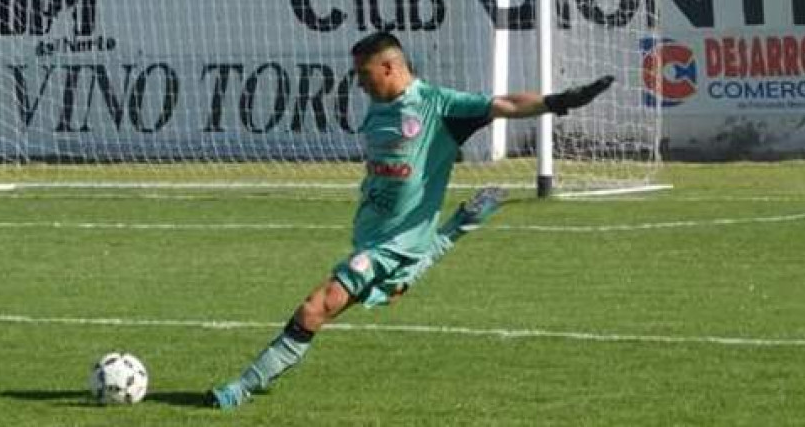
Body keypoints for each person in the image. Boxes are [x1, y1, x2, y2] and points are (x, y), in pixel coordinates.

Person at [208, 31, 614, 409]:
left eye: (364, 74)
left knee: (317, 306)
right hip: (371, 236)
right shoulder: (375, 111)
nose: (360, 84)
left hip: (390, 246)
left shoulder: (437, 105)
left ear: (389, 67)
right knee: (387, 294)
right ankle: (459, 226)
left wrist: (558, 101)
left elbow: (505, 104)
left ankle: (240, 386)